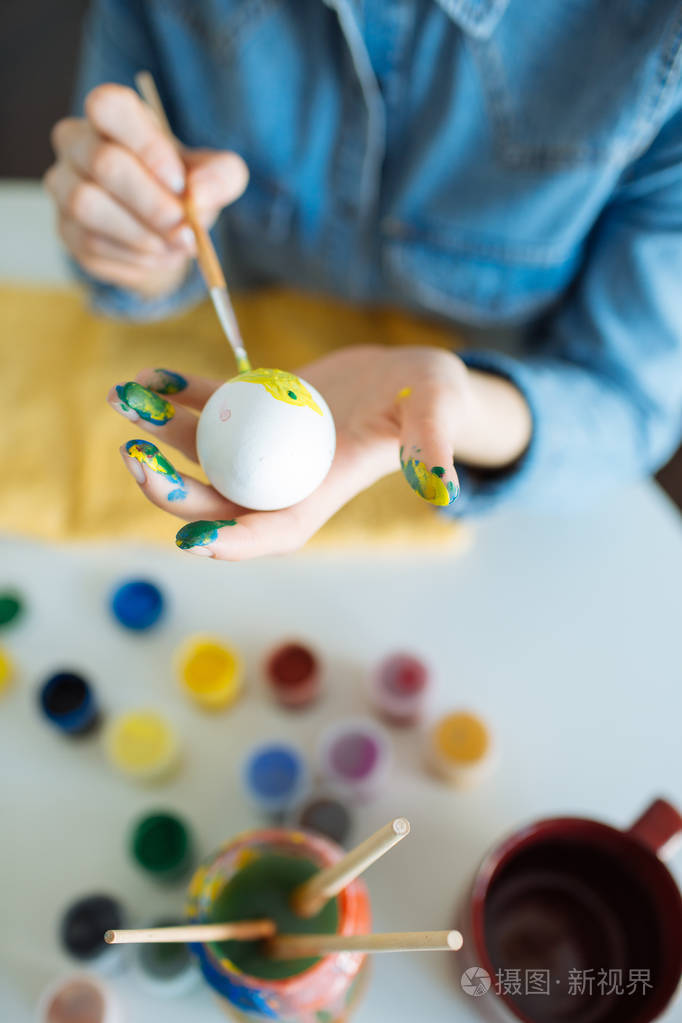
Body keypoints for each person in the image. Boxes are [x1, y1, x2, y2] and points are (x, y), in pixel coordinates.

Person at [45, 0, 682, 560]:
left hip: (523, 540)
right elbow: (121, 235)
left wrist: (462, 406)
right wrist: (142, 247)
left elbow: (632, 399)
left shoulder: (656, 29)